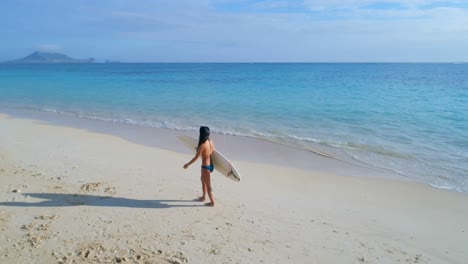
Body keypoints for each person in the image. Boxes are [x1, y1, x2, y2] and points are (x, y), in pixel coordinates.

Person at [183, 126, 215, 207]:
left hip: (205, 167)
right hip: (210, 165)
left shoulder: (202, 145)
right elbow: (210, 153)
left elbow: (196, 158)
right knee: (202, 180)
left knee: (208, 185)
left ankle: (212, 202)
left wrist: (187, 164)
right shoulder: (210, 141)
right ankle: (204, 197)